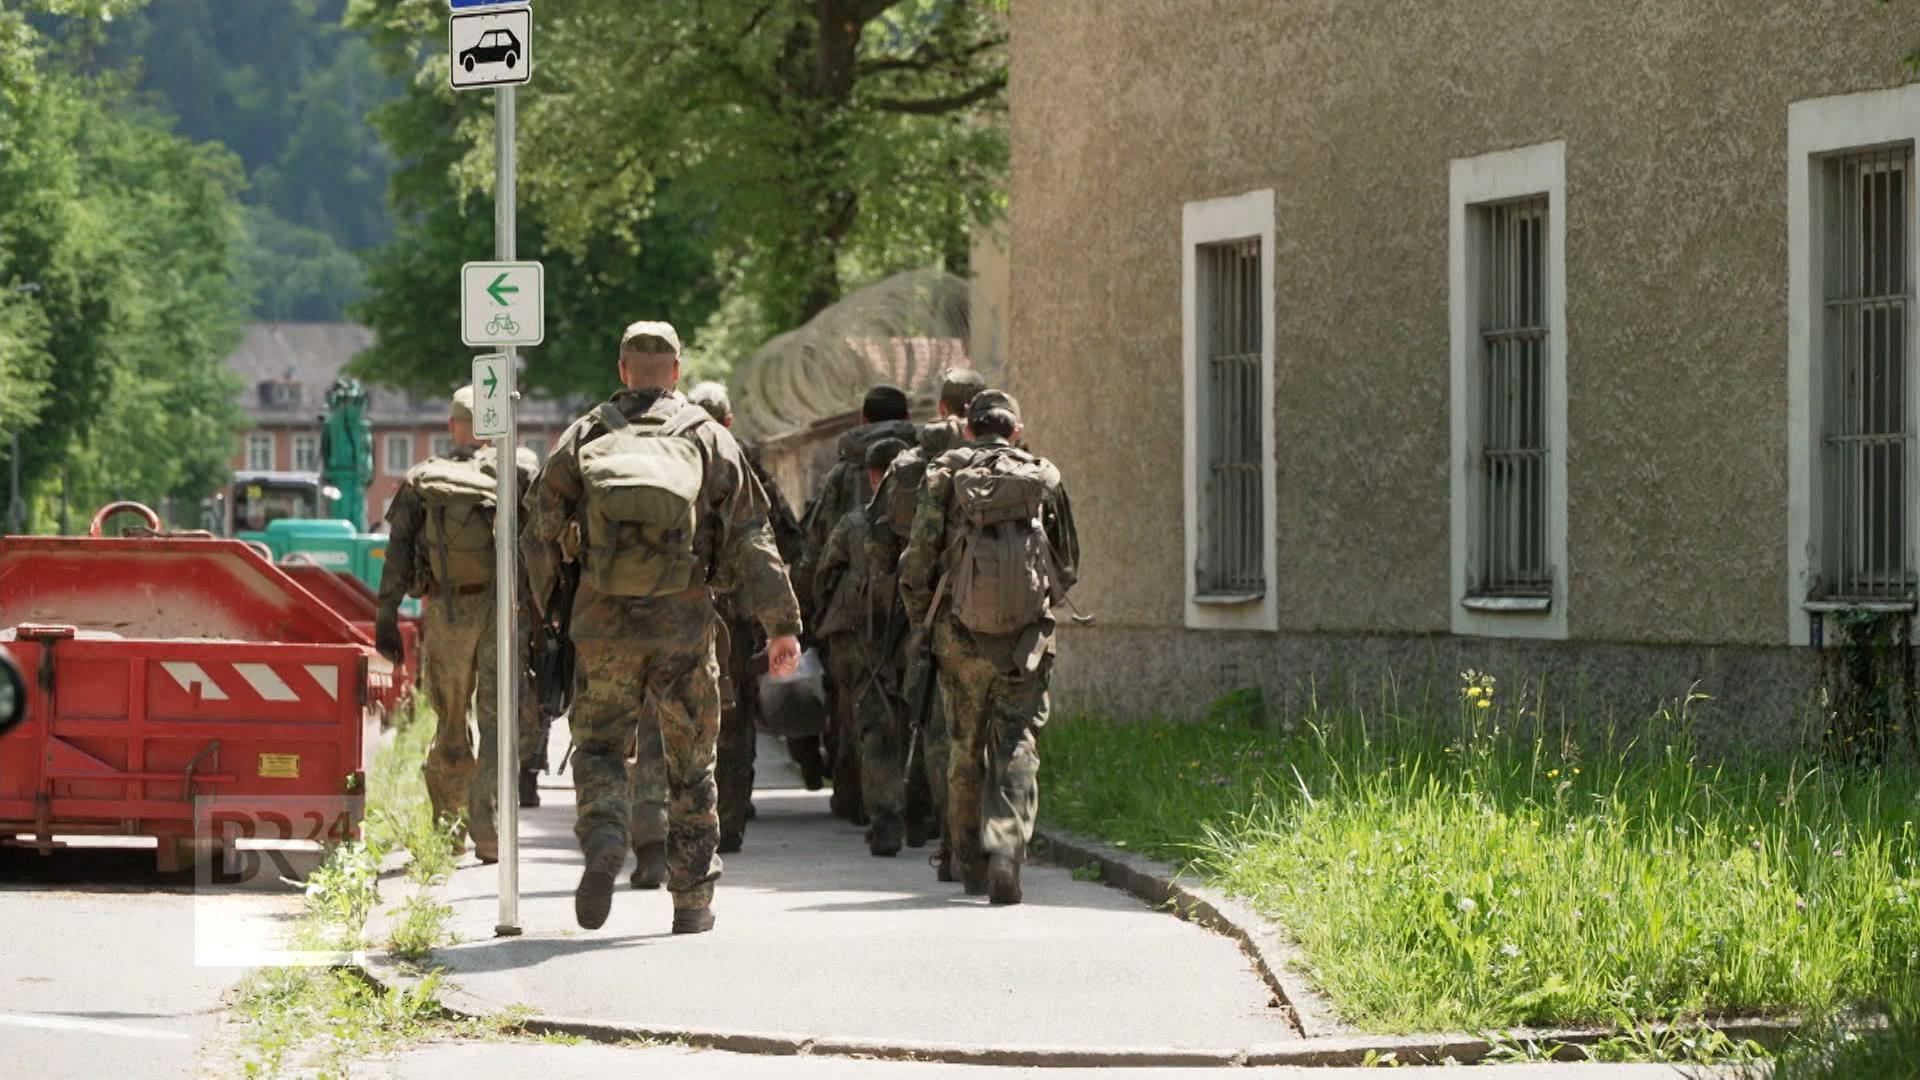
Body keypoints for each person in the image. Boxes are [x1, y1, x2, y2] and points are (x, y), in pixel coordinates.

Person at [522, 320, 802, 934]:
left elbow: (539, 528)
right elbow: (753, 534)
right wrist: (782, 624)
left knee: (597, 745)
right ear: (675, 372)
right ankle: (693, 901)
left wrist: (544, 614)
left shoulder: (586, 433)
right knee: (691, 765)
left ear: (623, 371)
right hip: (683, 625)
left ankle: (604, 835)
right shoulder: (708, 438)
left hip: (602, 622)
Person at [899, 390, 1079, 904]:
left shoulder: (945, 474)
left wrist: (922, 622)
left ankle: (967, 862)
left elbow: (918, 558)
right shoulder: (1043, 476)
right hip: (1026, 637)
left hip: (959, 634)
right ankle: (1007, 850)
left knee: (963, 745)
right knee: (1018, 741)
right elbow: (1068, 562)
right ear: (1015, 431)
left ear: (969, 429)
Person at [373, 387, 541, 861]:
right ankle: (489, 827)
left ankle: (450, 828)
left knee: (450, 720)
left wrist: (386, 617)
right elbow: (546, 545)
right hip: (503, 609)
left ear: (453, 426)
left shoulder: (425, 479)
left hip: (447, 612)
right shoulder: (522, 470)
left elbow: (398, 553)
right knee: (496, 718)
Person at [867, 368, 987, 861]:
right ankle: (987, 830)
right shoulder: (1006, 459)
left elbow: (881, 540)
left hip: (925, 612)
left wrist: (908, 611)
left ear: (941, 407)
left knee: (930, 723)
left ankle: (942, 831)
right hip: (1000, 608)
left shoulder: (911, 461)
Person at [685, 380, 805, 854]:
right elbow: (784, 539)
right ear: (729, 421)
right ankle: (728, 823)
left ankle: (679, 819)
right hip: (734, 619)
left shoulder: (668, 460)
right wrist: (782, 617)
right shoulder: (745, 465)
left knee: (678, 714)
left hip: (677, 610)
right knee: (733, 720)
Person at [796, 385, 918, 820]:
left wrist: (809, 611)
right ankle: (917, 809)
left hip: (855, 610)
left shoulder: (842, 472)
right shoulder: (928, 465)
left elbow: (815, 547)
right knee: (914, 706)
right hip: (914, 605)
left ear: (862, 420)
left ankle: (856, 800)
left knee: (854, 707)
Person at [813, 437, 911, 855]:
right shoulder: (932, 518)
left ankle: (885, 816)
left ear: (872, 475)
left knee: (873, 726)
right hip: (919, 635)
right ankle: (927, 815)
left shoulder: (856, 523)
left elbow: (824, 575)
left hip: (862, 638)